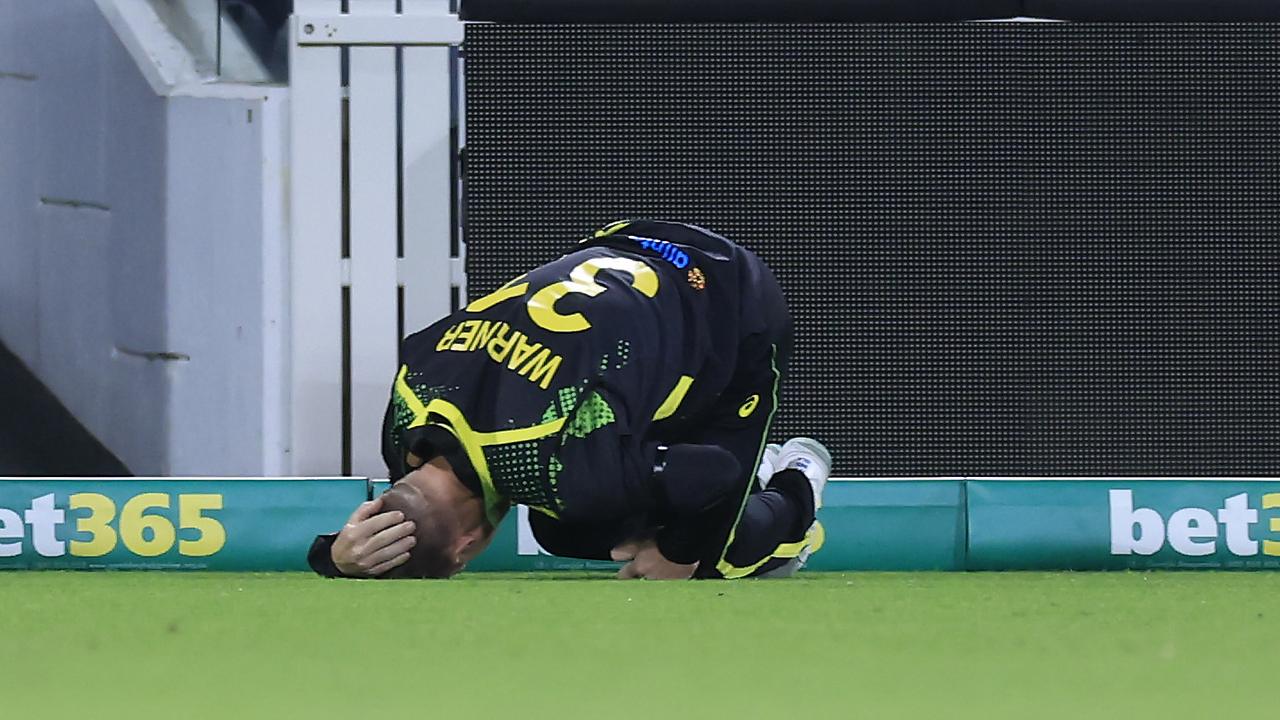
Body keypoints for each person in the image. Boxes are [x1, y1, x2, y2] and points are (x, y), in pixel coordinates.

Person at [307, 220, 831, 579]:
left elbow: (715, 471)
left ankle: (797, 479)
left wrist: (678, 554)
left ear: (466, 551)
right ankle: (675, 478)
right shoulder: (405, 421)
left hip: (726, 294)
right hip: (622, 240)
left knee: (719, 550)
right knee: (559, 528)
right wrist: (332, 553)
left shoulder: (562, 470)